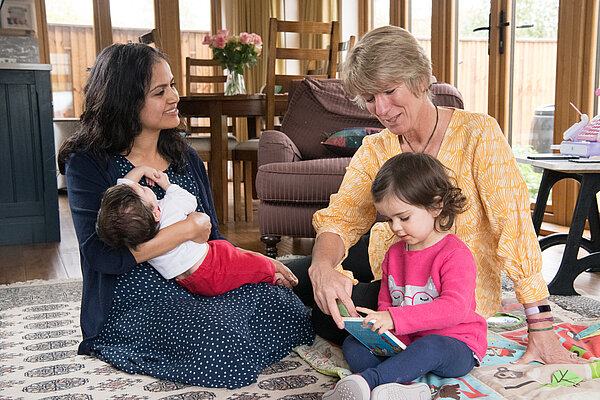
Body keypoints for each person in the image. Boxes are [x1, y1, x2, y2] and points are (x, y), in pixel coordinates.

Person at [287, 25, 587, 366]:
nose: (381, 109)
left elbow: (514, 228)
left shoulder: (479, 134)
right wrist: (324, 267)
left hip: (445, 292)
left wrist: (542, 327)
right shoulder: (374, 148)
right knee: (292, 278)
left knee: (328, 315)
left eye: (389, 91)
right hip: (392, 264)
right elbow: (341, 217)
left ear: (421, 78)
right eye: (370, 98)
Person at [57, 43, 314, 389]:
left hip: (198, 277)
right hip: (135, 293)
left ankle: (226, 328)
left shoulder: (185, 156)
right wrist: (186, 229)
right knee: (224, 343)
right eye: (160, 91)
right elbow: (101, 255)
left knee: (284, 302)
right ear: (125, 100)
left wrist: (254, 262)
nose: (175, 96)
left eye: (174, 85)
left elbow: (214, 237)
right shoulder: (89, 163)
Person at [323, 152, 487, 400]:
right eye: (389, 219)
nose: (395, 227)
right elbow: (386, 302)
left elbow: (455, 308)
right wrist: (379, 329)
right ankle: (401, 387)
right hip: (407, 345)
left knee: (428, 346)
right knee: (353, 346)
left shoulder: (455, 254)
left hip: (454, 345)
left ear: (436, 206)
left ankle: (371, 382)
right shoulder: (394, 253)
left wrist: (393, 318)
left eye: (404, 217)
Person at [96, 165, 296, 295]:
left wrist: (140, 170)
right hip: (209, 268)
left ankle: (268, 271)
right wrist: (166, 185)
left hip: (190, 280)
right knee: (246, 265)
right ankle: (273, 276)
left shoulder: (136, 234)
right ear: (155, 214)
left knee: (224, 248)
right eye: (142, 189)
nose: (141, 186)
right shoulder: (169, 209)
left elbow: (125, 187)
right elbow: (189, 200)